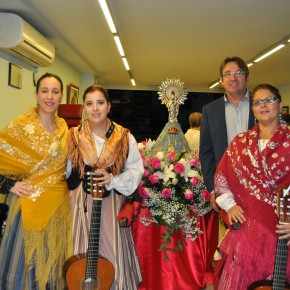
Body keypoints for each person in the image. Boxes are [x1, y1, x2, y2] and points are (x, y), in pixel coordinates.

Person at [67, 84, 144, 290]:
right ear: (83, 107)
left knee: (113, 251)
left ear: (109, 106)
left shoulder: (124, 137)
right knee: (80, 253)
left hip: (111, 204)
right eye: (89, 103)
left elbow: (136, 171)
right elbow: (63, 172)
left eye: (100, 103)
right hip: (80, 206)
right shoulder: (73, 136)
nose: (95, 108)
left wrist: (113, 180)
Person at [0, 73, 73, 289]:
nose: (49, 96)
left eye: (55, 91)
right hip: (28, 206)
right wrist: (9, 185)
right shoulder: (21, 126)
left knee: (53, 266)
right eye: (44, 91)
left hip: (59, 210)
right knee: (25, 267)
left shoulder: (64, 129)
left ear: (61, 97)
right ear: (36, 94)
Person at [214, 83, 290, 289]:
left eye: (269, 100)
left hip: (281, 233)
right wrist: (229, 205)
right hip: (245, 231)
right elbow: (222, 175)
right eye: (257, 102)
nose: (263, 105)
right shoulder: (240, 142)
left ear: (280, 105)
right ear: (253, 109)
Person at [199, 56, 255, 274]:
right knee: (229, 244)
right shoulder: (210, 111)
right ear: (221, 80)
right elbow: (206, 154)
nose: (233, 78)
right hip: (226, 188)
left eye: (239, 72)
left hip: (257, 187)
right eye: (228, 74)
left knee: (256, 240)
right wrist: (213, 190)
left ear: (247, 78)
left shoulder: (259, 106)